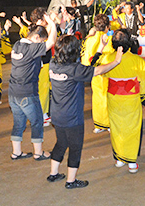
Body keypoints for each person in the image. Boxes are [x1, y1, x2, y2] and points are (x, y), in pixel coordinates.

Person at [47, 35, 124, 188]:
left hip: (56, 114)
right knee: (75, 148)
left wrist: (100, 48)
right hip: (72, 117)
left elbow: (88, 67)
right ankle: (71, 181)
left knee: (61, 143)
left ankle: (53, 174)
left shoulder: (53, 64)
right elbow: (96, 70)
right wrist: (116, 61)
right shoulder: (75, 69)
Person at [101, 29, 145, 173]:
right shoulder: (137, 61)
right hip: (131, 99)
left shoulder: (107, 59)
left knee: (117, 127)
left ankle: (119, 159)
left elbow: (99, 69)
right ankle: (131, 161)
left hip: (114, 98)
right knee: (132, 128)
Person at [8, 14, 57, 160]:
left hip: (13, 93)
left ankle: (16, 152)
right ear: (36, 38)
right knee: (36, 122)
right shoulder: (32, 49)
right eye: (40, 41)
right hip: (27, 92)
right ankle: (38, 153)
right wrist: (51, 23)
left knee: (18, 123)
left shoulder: (17, 45)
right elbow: (52, 41)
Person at [80, 14, 114, 133]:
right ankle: (108, 123)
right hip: (106, 71)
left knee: (97, 97)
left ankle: (99, 124)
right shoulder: (108, 39)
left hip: (93, 73)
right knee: (107, 97)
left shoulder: (89, 40)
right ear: (107, 26)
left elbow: (85, 58)